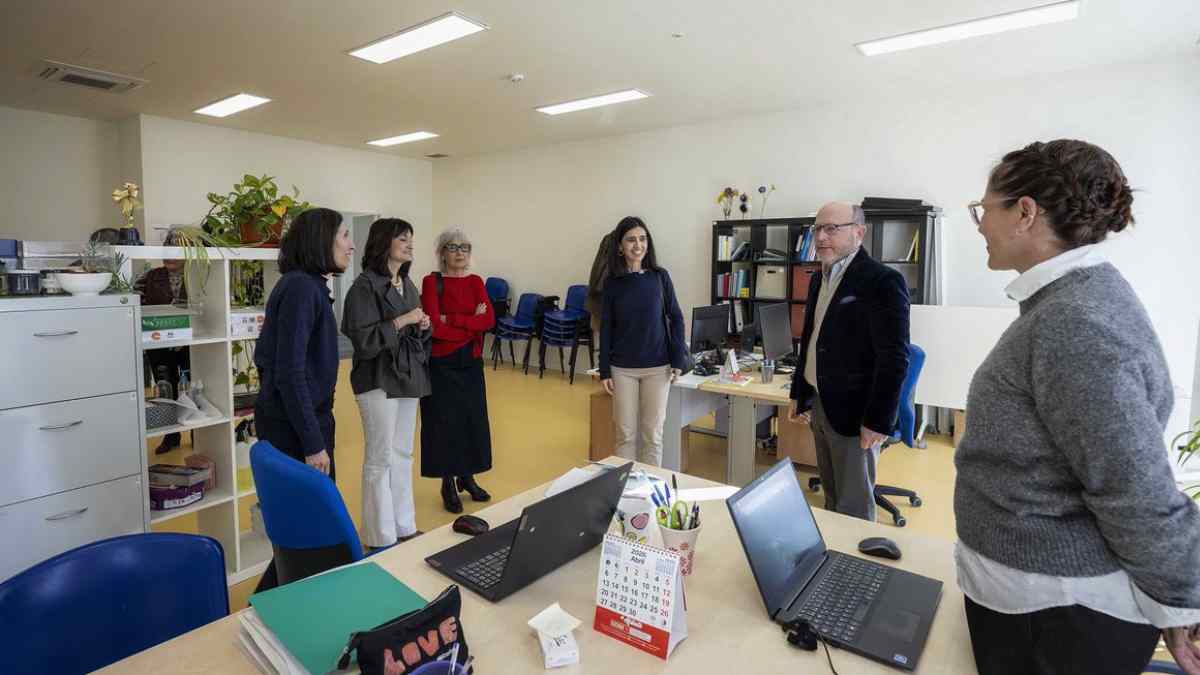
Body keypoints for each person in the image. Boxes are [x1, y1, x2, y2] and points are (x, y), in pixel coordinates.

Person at [954, 139, 1200, 675]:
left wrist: (1183, 599)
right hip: (1035, 600)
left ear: (1024, 212)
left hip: (1054, 617)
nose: (978, 225)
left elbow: (1133, 485)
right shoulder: (1068, 302)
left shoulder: (1076, 322)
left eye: (983, 209)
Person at [787, 202, 910, 522]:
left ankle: (856, 568)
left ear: (859, 232)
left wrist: (879, 420)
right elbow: (811, 340)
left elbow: (895, 357)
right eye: (818, 229)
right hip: (820, 402)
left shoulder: (881, 281)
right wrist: (798, 392)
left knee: (853, 509)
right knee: (831, 496)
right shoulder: (819, 278)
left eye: (832, 228)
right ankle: (834, 565)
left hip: (857, 415)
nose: (822, 237)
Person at [252, 207, 353, 591]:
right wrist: (313, 444)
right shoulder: (300, 289)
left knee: (304, 534)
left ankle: (268, 606)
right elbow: (290, 372)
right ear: (321, 240)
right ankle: (289, 608)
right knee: (312, 533)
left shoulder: (307, 286)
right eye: (344, 236)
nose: (351, 245)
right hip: (296, 427)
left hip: (299, 420)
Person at [342, 218, 432, 550]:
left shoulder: (406, 284)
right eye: (403, 239)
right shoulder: (364, 286)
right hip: (377, 378)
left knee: (403, 453)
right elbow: (364, 341)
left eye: (411, 239)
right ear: (384, 243)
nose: (410, 245)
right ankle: (379, 537)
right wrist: (403, 320)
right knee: (380, 457)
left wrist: (423, 324)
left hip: (407, 375)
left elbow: (415, 332)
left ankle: (404, 526)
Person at [598, 216, 689, 467]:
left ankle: (649, 490)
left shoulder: (660, 277)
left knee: (653, 437)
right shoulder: (612, 283)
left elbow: (677, 318)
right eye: (631, 240)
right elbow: (606, 329)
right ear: (620, 246)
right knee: (625, 436)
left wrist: (677, 359)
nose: (637, 245)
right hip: (623, 369)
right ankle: (625, 491)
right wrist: (604, 369)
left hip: (658, 369)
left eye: (642, 239)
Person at [420, 228, 495, 513]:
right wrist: (468, 324)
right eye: (453, 247)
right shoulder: (431, 282)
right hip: (441, 363)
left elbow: (488, 319)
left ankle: (468, 476)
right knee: (444, 423)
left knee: (471, 420)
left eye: (465, 247)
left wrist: (451, 319)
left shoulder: (476, 281)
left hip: (471, 361)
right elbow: (435, 329)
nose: (460, 252)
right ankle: (447, 482)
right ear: (441, 253)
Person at [136, 228, 190, 455]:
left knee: (195, 384)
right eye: (166, 252)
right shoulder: (151, 276)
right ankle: (171, 435)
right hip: (158, 340)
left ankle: (201, 431)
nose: (169, 257)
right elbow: (134, 300)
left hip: (190, 341)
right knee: (165, 386)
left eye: (175, 252)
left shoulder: (200, 274)